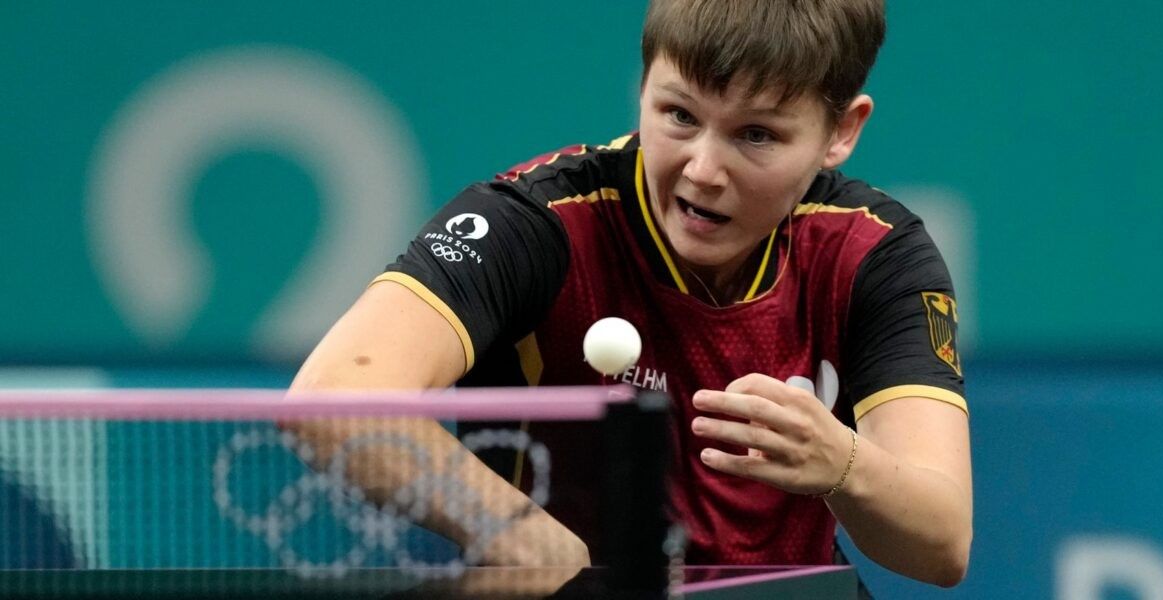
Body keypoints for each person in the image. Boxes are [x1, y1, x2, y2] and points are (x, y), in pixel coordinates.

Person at [288, 0, 971, 587]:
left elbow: (942, 546)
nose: (703, 170)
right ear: (644, 85)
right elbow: (333, 402)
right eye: (679, 115)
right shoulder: (539, 225)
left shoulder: (872, 254)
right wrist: (531, 542)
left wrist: (843, 466)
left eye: (756, 134)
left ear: (841, 131)